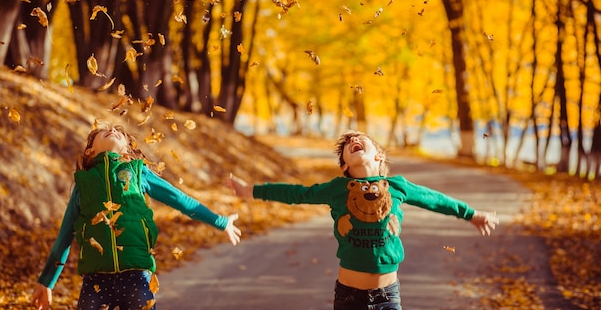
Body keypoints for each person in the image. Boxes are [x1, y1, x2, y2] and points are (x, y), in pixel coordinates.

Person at [227, 130, 499, 310]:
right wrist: (251, 190)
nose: (353, 140)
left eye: (360, 139)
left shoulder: (397, 186)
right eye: (347, 144)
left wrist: (471, 214)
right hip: (348, 297)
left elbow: (434, 199)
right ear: (344, 165)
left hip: (388, 297)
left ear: (378, 155)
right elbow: (296, 193)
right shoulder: (337, 189)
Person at [32, 123, 241, 310]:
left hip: (137, 276)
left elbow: (180, 200)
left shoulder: (138, 172)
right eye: (104, 131)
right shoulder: (84, 185)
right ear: (90, 151)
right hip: (95, 282)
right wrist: (47, 281)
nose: (112, 129)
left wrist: (219, 221)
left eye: (119, 133)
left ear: (127, 151)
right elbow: (65, 236)